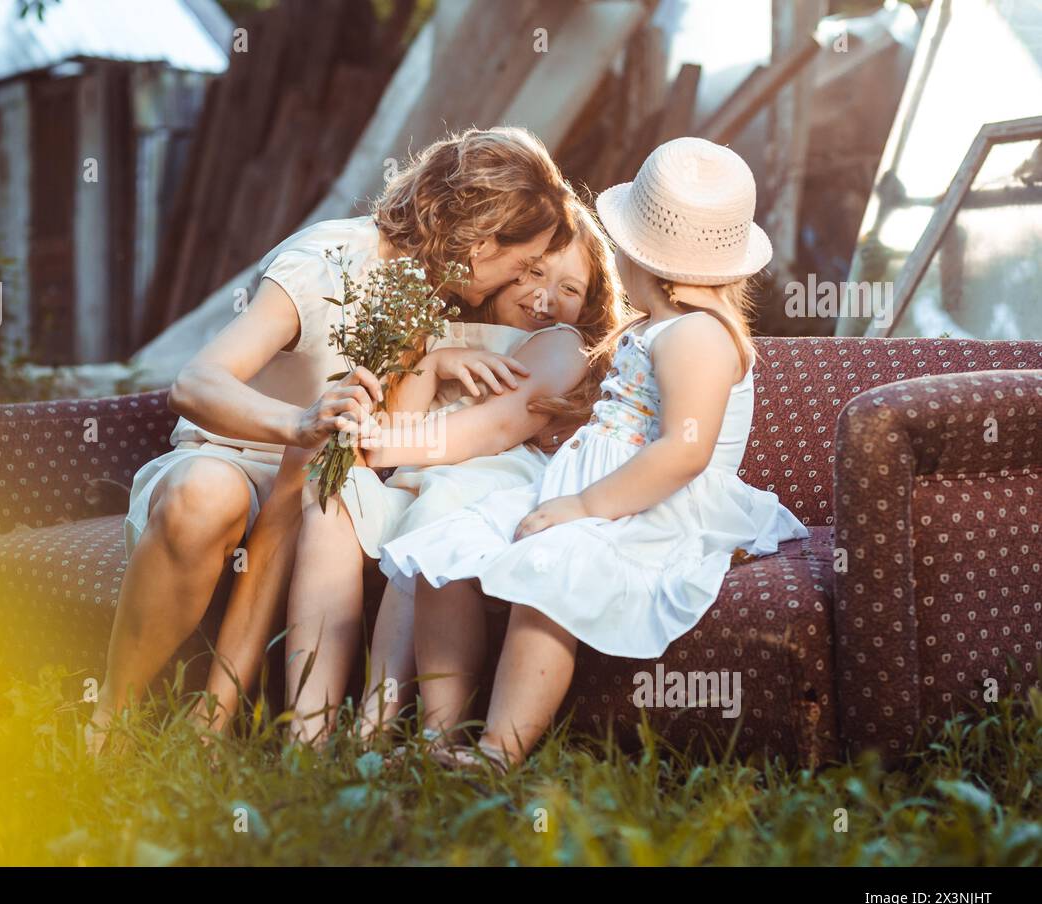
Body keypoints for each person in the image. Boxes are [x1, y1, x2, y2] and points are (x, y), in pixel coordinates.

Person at [88, 127, 575, 752]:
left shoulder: (432, 297)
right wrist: (298, 423)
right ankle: (109, 718)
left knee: (318, 484)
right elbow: (196, 382)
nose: (525, 280)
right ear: (481, 245)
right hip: (231, 453)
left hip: (316, 484)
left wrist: (440, 358)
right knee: (209, 494)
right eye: (524, 262)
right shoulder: (327, 261)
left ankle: (213, 726)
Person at [381, 138, 812, 768]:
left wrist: (582, 505)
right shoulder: (653, 326)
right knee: (445, 551)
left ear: (641, 257)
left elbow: (682, 455)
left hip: (650, 509)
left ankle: (499, 752)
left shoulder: (699, 335)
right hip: (584, 496)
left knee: (553, 565)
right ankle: (436, 741)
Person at [285, 202, 623, 744]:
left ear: (589, 307)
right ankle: (308, 724)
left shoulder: (562, 345)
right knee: (330, 492)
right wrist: (435, 361)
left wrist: (370, 443)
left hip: (485, 484)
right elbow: (403, 425)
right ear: (511, 265)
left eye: (570, 289)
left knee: (434, 513)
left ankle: (380, 720)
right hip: (414, 478)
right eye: (536, 272)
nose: (545, 296)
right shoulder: (446, 329)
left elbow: (486, 434)